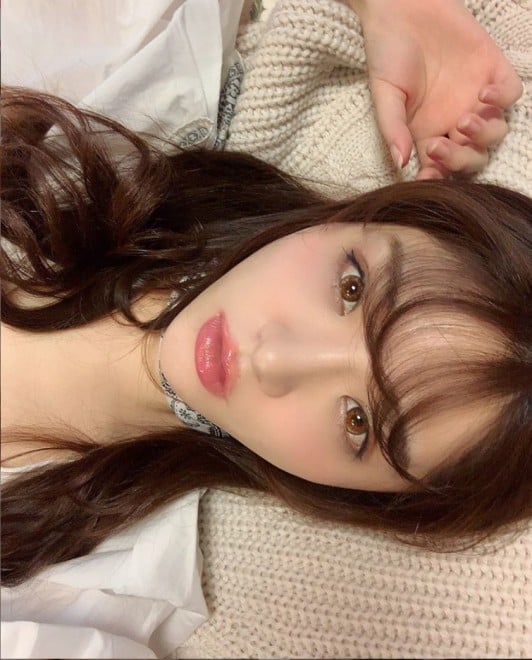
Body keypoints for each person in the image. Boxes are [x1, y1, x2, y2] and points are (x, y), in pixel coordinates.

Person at [1, 1, 530, 658]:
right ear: (366, 214)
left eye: (359, 422)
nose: (275, 359)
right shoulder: (145, 82)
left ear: (353, 495)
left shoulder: (93, 604)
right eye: (352, 288)